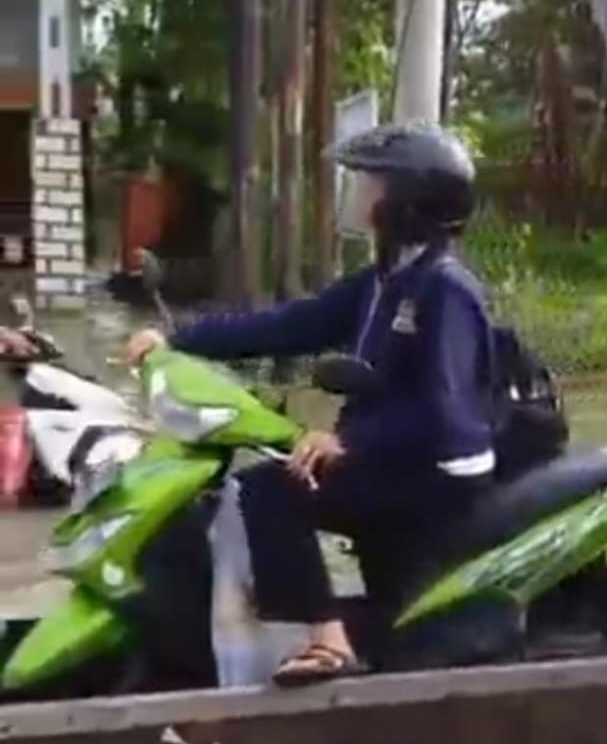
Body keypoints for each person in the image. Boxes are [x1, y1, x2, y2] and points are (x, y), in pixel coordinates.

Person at [125, 122, 495, 686]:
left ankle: (329, 639)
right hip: (400, 454)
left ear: (408, 200)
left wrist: (349, 441)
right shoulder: (382, 281)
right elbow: (289, 325)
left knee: (271, 488)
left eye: (372, 183)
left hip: (441, 471)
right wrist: (177, 340)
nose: (359, 195)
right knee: (271, 468)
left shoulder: (444, 289)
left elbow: (445, 415)